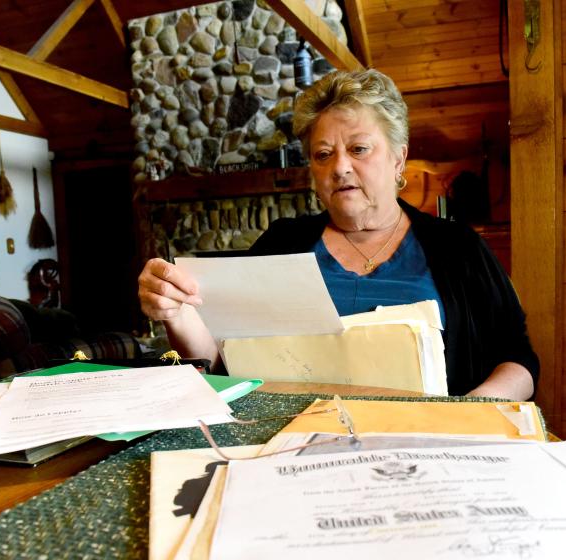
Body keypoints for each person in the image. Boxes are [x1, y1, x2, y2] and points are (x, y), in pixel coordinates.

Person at [138, 69, 538, 400]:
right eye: (323, 154)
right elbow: (225, 359)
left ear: (398, 158)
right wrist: (176, 312)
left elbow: (518, 358)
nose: (340, 167)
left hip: (425, 444)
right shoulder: (282, 243)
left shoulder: (457, 247)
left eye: (359, 149)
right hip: (291, 442)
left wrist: (471, 410)